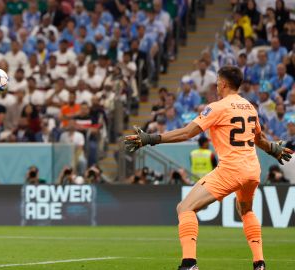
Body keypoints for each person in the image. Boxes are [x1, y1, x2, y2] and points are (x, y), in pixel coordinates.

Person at [124, 66, 293, 270]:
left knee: (185, 208)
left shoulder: (217, 107)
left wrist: (150, 138)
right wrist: (275, 150)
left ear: (222, 83)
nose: (216, 87)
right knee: (246, 210)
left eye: (217, 83)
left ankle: (189, 263)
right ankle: (259, 263)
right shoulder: (249, 107)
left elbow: (187, 133)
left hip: (231, 170)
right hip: (252, 169)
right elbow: (260, 139)